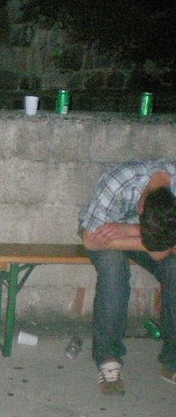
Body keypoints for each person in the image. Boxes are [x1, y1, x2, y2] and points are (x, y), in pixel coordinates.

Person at [78, 159, 176, 394]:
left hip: (138, 234)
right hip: (103, 232)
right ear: (141, 208)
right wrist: (145, 238)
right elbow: (90, 239)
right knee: (113, 270)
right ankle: (108, 358)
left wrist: (131, 230)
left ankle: (173, 359)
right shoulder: (120, 181)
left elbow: (163, 249)